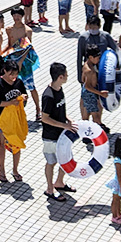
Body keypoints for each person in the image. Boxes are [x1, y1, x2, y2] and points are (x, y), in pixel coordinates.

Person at [41, 62, 77, 201]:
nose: (68, 76)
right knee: (51, 162)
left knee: (65, 159)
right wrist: (64, 125)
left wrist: (67, 119)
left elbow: (59, 110)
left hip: (61, 133)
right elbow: (45, 118)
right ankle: (50, 189)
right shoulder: (48, 96)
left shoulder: (59, 89)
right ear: (60, 76)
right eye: (66, 75)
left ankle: (59, 183)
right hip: (51, 136)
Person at [0, 60, 27, 182]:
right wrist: (11, 103)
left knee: (17, 144)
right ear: (5, 71)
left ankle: (15, 170)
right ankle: (2, 171)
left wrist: (24, 98)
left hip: (17, 119)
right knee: (2, 144)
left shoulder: (19, 82)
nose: (13, 77)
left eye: (15, 74)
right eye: (11, 74)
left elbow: (24, 94)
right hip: (4, 120)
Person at [80, 45, 106, 124]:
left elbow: (82, 80)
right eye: (97, 58)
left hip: (86, 93)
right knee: (96, 118)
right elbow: (88, 86)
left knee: (85, 116)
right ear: (91, 57)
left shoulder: (86, 64)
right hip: (90, 94)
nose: (99, 59)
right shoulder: (90, 70)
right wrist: (100, 93)